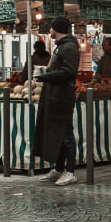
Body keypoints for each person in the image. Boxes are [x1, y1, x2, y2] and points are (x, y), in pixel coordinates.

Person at [34, 17, 81, 186]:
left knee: (66, 134)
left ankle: (70, 171)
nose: (50, 31)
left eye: (51, 28)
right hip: (56, 96)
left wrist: (47, 77)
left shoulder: (68, 47)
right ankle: (59, 168)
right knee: (58, 135)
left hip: (62, 97)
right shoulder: (61, 47)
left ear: (56, 29)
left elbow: (69, 72)